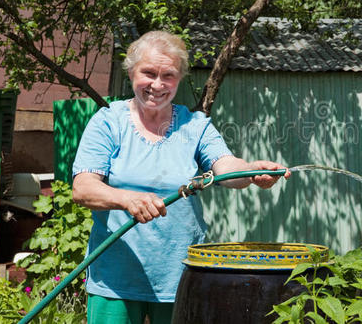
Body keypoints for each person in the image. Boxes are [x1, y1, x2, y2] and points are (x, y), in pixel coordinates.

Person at [72, 30, 290, 324]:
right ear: (131, 72)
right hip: (115, 278)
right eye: (148, 73)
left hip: (181, 276)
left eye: (168, 76)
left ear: (179, 78)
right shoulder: (108, 122)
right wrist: (126, 199)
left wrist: (251, 172)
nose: (157, 85)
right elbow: (83, 188)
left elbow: (224, 167)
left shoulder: (194, 125)